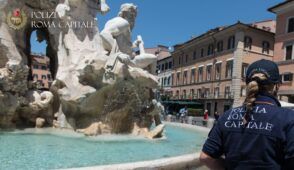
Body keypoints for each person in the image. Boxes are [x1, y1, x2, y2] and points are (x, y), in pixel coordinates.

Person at [200, 59, 294, 170]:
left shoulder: (226, 116)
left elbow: (205, 157)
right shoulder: (289, 118)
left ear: (248, 84)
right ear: (276, 86)